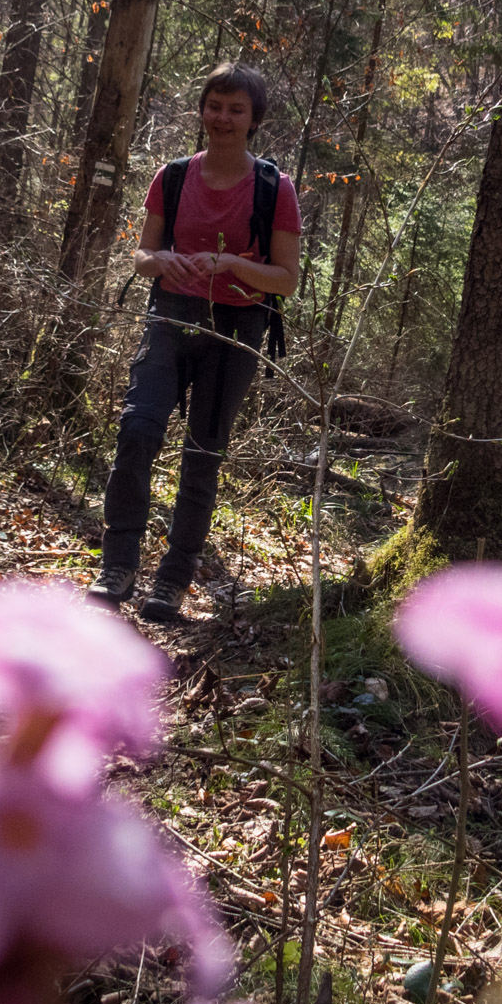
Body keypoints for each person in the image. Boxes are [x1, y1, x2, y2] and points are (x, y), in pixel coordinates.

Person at [88, 64, 301, 621]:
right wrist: (157, 261)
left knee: (202, 455)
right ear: (201, 109)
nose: (223, 118)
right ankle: (118, 564)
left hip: (238, 327)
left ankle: (173, 580)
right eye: (215, 105)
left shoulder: (275, 190)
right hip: (171, 314)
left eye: (236, 110)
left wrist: (230, 264)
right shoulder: (174, 177)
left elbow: (286, 278)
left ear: (254, 120)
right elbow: (142, 254)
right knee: (137, 429)